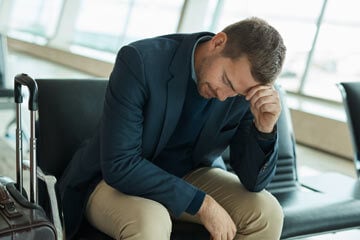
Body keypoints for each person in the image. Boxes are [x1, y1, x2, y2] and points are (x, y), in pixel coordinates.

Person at [58, 17, 286, 240]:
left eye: (236, 92)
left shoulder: (241, 90)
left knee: (267, 213)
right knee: (151, 221)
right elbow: (120, 165)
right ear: (218, 42)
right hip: (110, 180)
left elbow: (254, 182)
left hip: (189, 175)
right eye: (226, 80)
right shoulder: (140, 61)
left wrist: (264, 128)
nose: (224, 96)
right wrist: (201, 203)